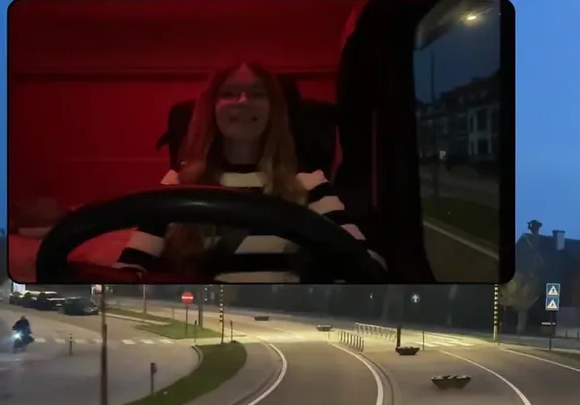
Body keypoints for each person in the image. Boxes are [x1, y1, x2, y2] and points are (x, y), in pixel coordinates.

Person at [115, 61, 387, 282]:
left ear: (273, 110)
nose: (243, 101)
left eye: (257, 94)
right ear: (212, 109)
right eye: (229, 93)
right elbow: (129, 269)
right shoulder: (178, 184)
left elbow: (365, 261)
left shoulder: (308, 184)